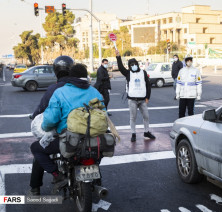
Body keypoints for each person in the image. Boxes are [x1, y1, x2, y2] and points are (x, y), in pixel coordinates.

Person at [30, 63, 104, 193]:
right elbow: (104, 115)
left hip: (69, 140)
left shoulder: (60, 92)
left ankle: (57, 176)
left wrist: (44, 126)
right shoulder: (95, 92)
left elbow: (50, 120)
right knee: (96, 151)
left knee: (36, 148)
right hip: (94, 139)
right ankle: (96, 178)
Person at [29, 55, 74, 196]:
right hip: (86, 133)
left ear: (55, 71)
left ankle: (36, 188)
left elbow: (44, 112)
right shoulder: (82, 87)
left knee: (38, 149)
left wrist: (35, 116)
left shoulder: (54, 89)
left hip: (63, 135)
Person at [115, 49, 156, 142]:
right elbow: (121, 68)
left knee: (146, 116)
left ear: (137, 64)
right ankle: (133, 133)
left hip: (142, 100)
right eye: (131, 65)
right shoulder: (128, 73)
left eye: (135, 64)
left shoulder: (143, 72)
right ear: (129, 66)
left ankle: (146, 132)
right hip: (132, 100)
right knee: (132, 117)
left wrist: (147, 97)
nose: (133, 66)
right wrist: (118, 57)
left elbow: (148, 85)